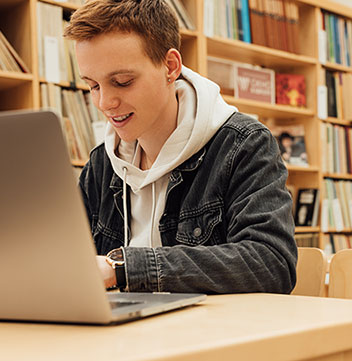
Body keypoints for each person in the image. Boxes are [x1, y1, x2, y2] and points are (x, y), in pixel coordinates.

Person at [64, 0, 297, 294]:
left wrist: (122, 269)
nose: (104, 103)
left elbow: (271, 264)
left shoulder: (243, 145)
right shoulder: (101, 164)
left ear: (170, 67)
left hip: (208, 334)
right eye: (93, 86)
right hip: (118, 336)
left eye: (122, 82)